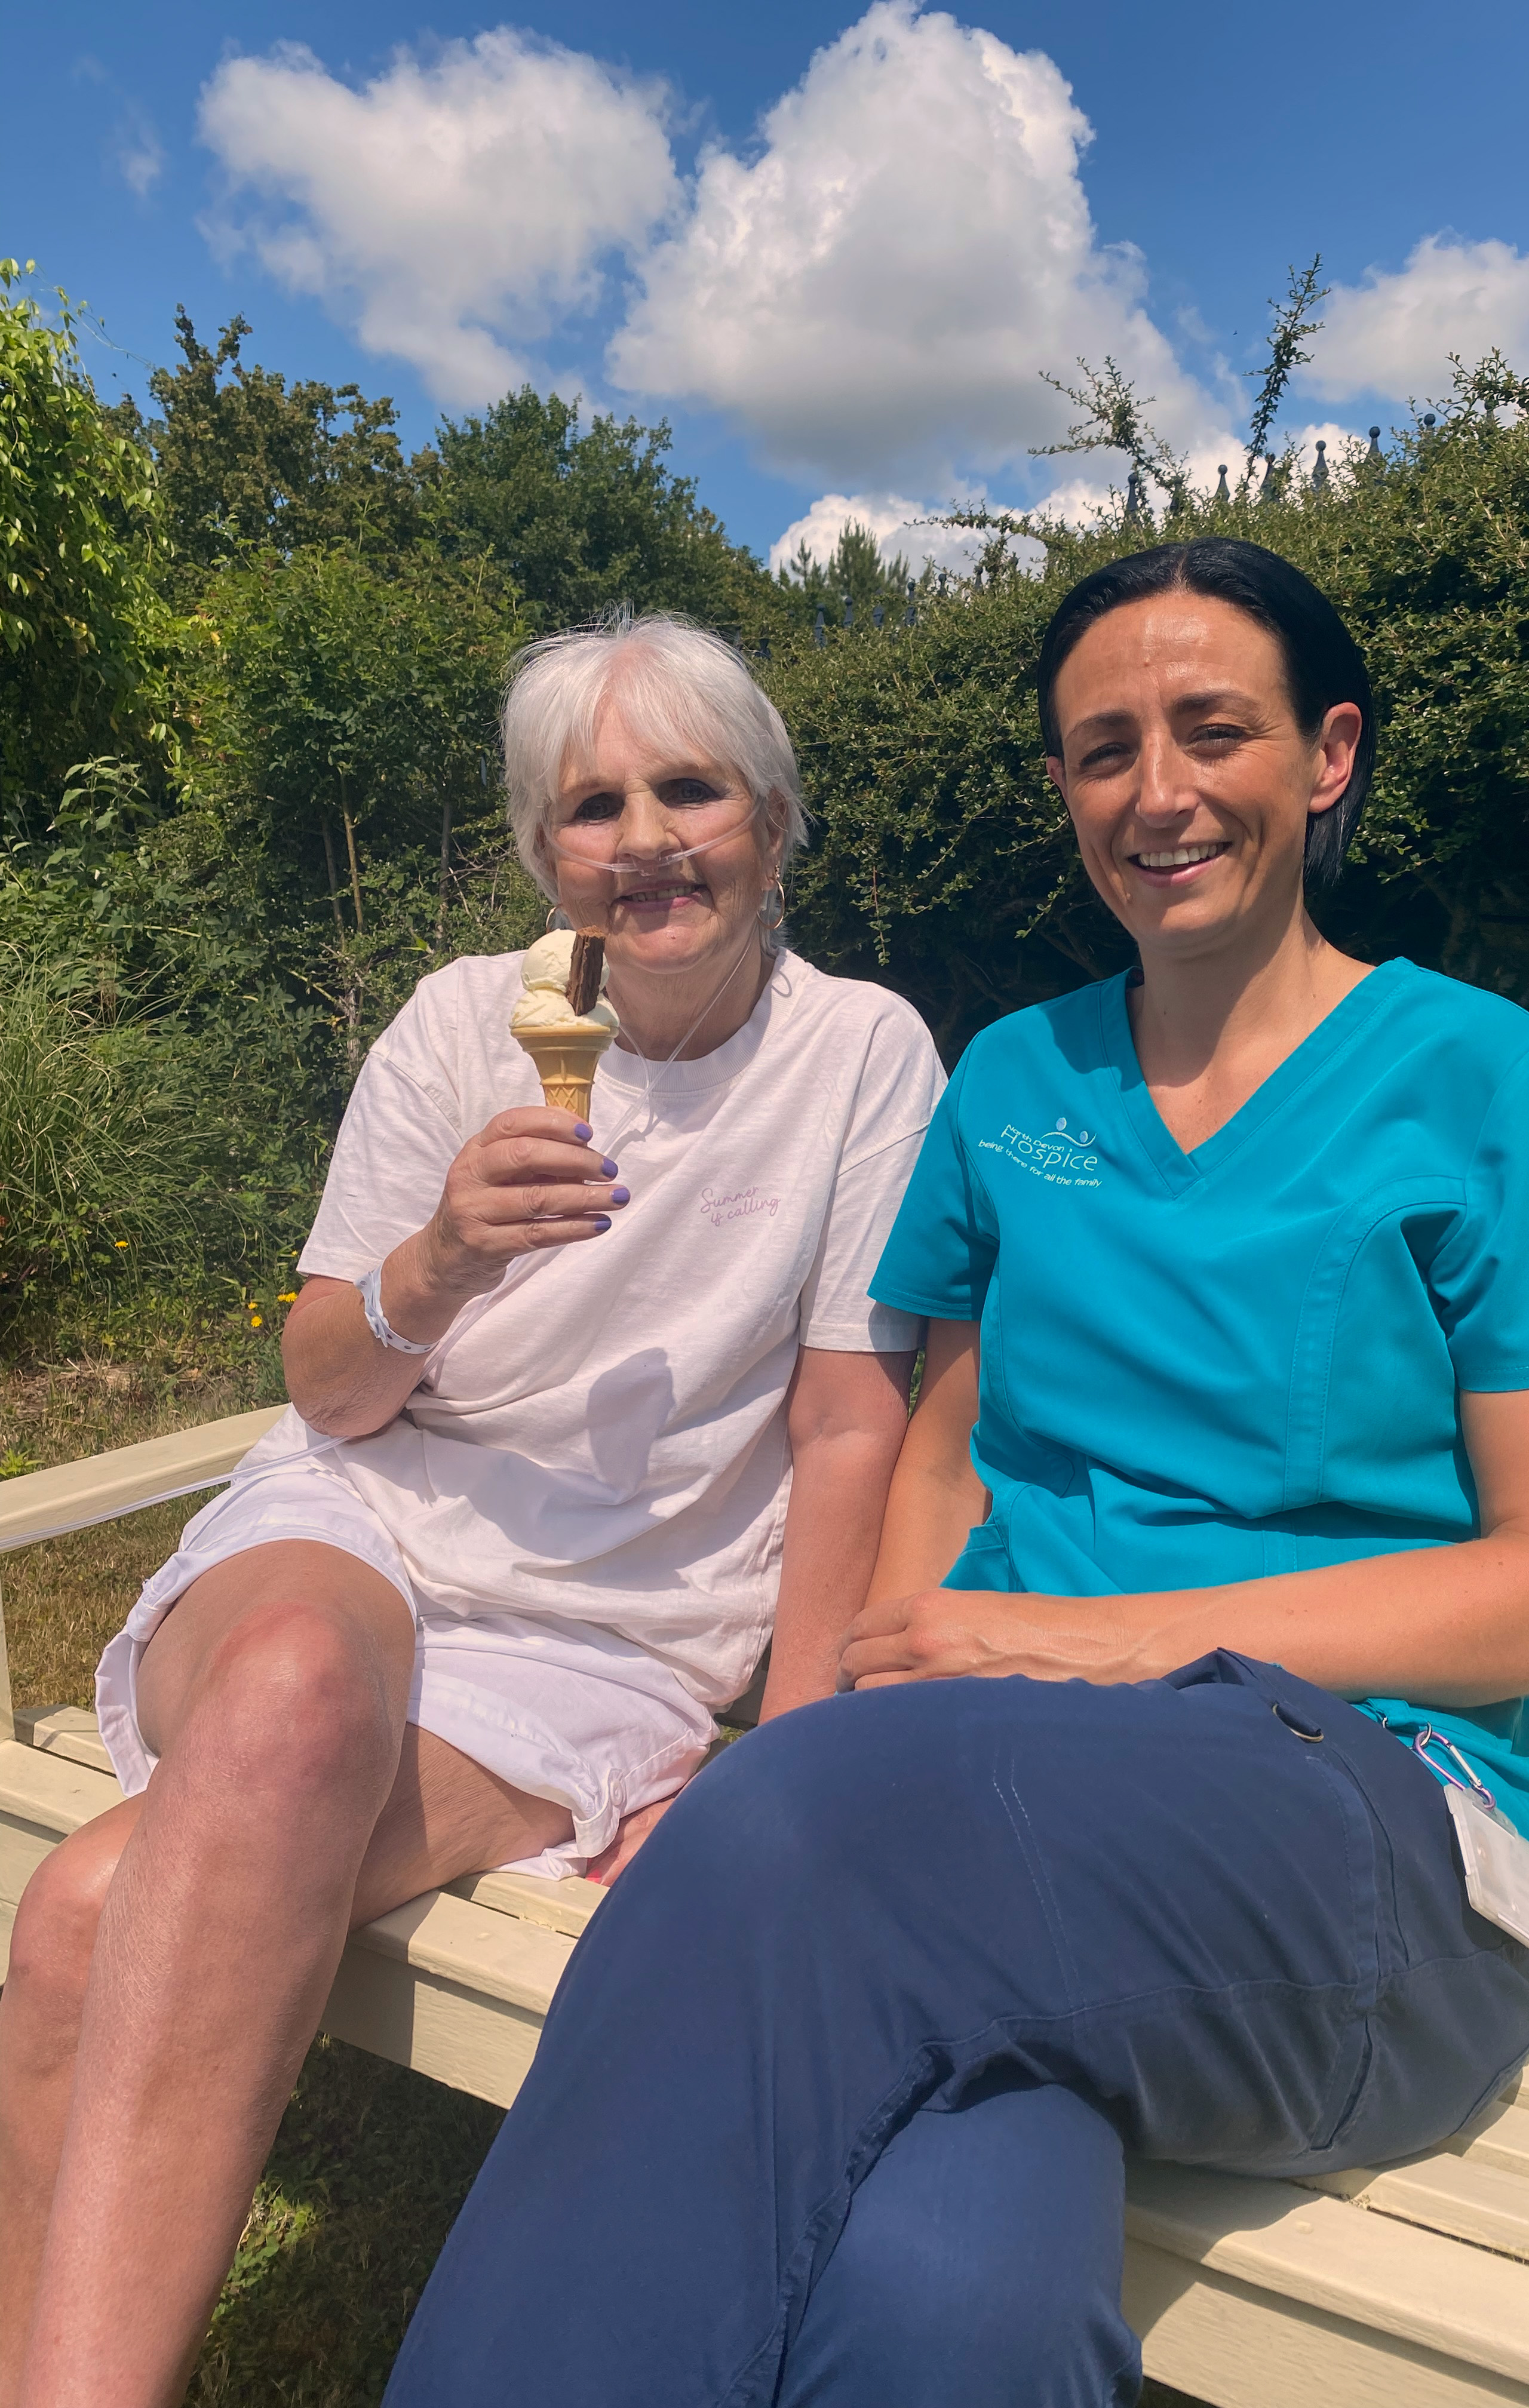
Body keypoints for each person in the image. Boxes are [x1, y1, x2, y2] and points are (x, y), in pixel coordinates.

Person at [388, 535, 1529, 2408]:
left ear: (1327, 757)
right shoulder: (1012, 1087)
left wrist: (1104, 1647)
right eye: (1100, 749)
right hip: (1002, 1832)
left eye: (1210, 730)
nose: (1156, 792)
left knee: (790, 1839)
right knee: (938, 2295)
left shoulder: (1488, 1083)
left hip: (1369, 1827)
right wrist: (861, 1685)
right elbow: (949, 1452)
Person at [0, 615, 944, 2408]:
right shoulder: (464, 1023)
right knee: (284, 1690)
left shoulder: (864, 1059)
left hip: (610, 1631)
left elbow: (844, 1432)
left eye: (691, 788)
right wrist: (432, 1260)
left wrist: (786, 1764)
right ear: (539, 854)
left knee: (81, 1914)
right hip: (358, 1523)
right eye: (592, 804)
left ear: (774, 815)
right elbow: (328, 1388)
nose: (645, 838)